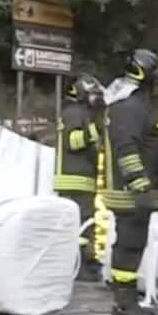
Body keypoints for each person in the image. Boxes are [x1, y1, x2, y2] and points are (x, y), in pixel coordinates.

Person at [100, 49, 158, 315]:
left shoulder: (128, 105)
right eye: (156, 79)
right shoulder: (129, 108)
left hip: (133, 191)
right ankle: (125, 306)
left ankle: (125, 304)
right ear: (145, 78)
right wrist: (140, 184)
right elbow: (126, 148)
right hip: (131, 192)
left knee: (131, 244)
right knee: (129, 245)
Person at [55, 73, 106, 282]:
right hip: (75, 179)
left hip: (77, 178)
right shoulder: (75, 113)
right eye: (92, 95)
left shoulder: (77, 112)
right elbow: (73, 142)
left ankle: (81, 262)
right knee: (83, 226)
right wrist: (97, 129)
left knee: (82, 224)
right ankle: (81, 267)